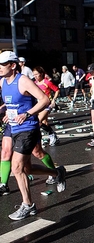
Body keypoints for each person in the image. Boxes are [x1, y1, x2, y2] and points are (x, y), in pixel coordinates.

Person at [0, 51, 66, 220]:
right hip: (14, 128)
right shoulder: (3, 82)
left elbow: (43, 99)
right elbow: (12, 103)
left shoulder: (22, 80)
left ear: (12, 65)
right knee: (27, 168)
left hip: (28, 128)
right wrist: (7, 112)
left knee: (16, 168)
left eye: (2, 64)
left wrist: (28, 114)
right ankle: (56, 173)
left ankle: (28, 205)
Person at [32, 66, 60, 146]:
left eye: (37, 74)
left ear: (41, 74)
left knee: (38, 121)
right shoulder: (34, 83)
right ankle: (52, 135)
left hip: (47, 104)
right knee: (44, 122)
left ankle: (49, 136)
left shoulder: (47, 82)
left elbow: (57, 90)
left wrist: (54, 99)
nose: (35, 76)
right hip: (38, 105)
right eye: (34, 75)